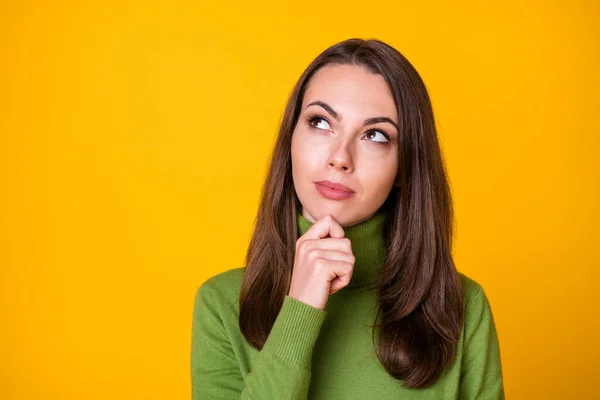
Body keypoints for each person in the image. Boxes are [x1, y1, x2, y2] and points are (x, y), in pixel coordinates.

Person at [190, 38, 505, 399]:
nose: (340, 157)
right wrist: (300, 311)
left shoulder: (461, 307)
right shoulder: (223, 304)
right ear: (290, 139)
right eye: (321, 122)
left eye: (375, 135)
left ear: (405, 166)